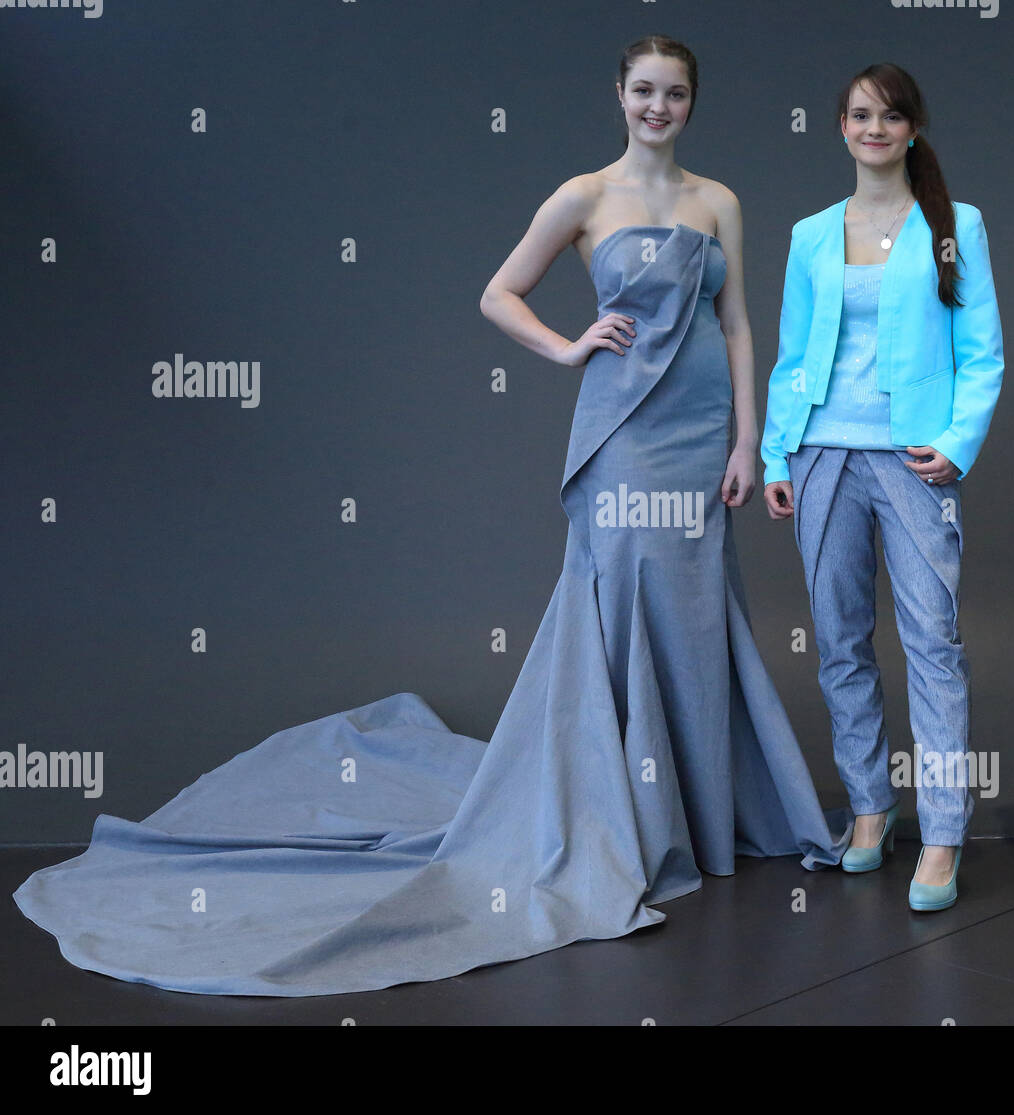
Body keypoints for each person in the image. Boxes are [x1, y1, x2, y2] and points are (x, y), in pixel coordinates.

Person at [12, 35, 850, 997]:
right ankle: (631, 822)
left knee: (699, 613)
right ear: (619, 95)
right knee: (621, 602)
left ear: (693, 103)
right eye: (645, 93)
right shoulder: (582, 196)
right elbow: (498, 293)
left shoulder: (719, 201)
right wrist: (570, 347)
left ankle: (699, 819)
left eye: (677, 95)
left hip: (702, 432)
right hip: (622, 429)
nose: (660, 108)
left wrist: (751, 443)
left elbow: (740, 324)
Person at [762, 64, 1003, 912]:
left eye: (891, 114)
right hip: (822, 452)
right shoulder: (809, 234)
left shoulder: (954, 224)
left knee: (932, 642)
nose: (875, 126)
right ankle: (870, 807)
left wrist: (957, 443)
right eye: (861, 114)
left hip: (913, 460)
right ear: (841, 126)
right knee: (839, 640)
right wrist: (774, 456)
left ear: (911, 128)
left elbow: (983, 353)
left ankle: (942, 833)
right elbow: (792, 358)